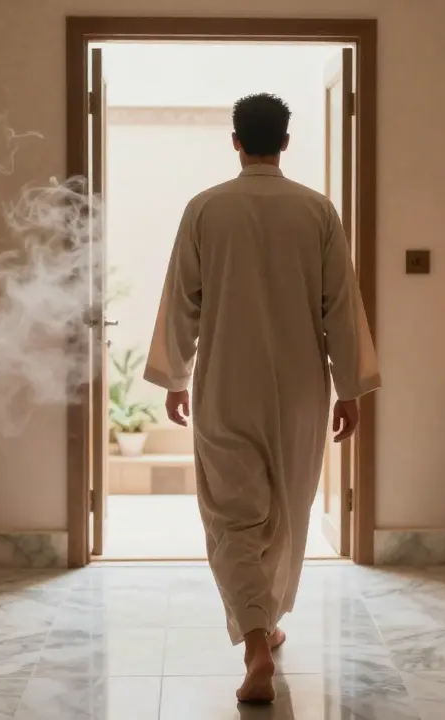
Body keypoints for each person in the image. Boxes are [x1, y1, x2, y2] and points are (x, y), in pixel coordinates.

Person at [144, 93, 381, 703]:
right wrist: (350, 389)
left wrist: (175, 376)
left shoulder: (205, 209)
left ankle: (256, 639)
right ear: (285, 142)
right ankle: (265, 624)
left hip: (226, 380)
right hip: (303, 385)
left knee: (233, 516)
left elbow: (182, 301)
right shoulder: (317, 211)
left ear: (235, 141)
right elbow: (340, 310)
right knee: (288, 511)